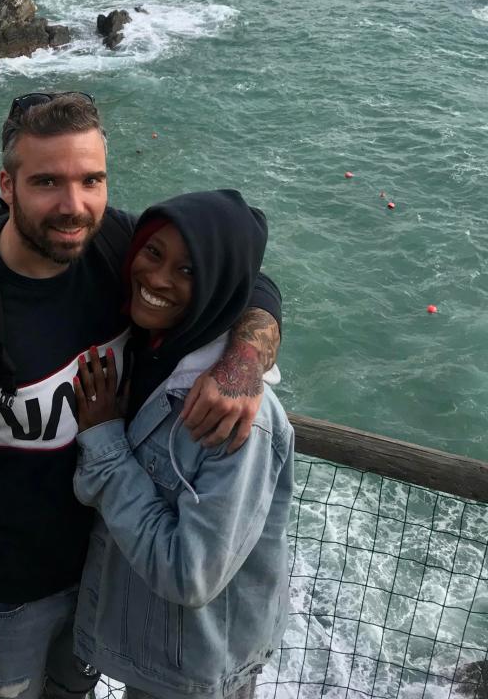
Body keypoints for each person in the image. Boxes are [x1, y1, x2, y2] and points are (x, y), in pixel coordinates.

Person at [0, 94, 283, 699]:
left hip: (106, 571)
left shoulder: (114, 245)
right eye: (47, 182)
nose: (73, 206)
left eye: (91, 179)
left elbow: (240, 273)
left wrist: (245, 358)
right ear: (7, 185)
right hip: (2, 595)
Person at [72, 191, 294, 699]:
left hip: (193, 668)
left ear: (219, 285)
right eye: (152, 253)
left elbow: (190, 575)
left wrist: (102, 439)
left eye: (190, 271)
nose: (157, 278)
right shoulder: (151, 346)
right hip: (148, 648)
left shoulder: (232, 420)